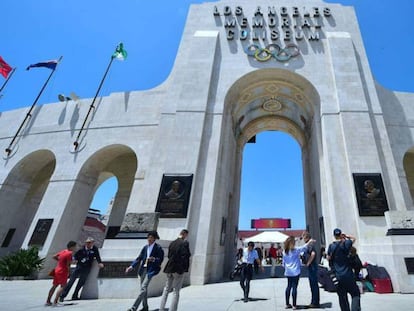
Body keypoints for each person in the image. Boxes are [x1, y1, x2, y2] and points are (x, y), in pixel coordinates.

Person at [125, 231, 164, 311]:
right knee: (144, 290)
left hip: (151, 271)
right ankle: (145, 307)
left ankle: (133, 308)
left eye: (151, 237)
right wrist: (131, 266)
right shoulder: (145, 247)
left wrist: (153, 259)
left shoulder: (158, 248)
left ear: (154, 239)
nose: (149, 239)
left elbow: (160, 260)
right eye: (148, 237)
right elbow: (139, 258)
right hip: (143, 270)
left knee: (143, 288)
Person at [60, 237, 104, 301]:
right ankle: (62, 296)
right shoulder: (81, 249)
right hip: (79, 267)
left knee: (81, 282)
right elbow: (75, 256)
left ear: (92, 243)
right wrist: (75, 260)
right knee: (71, 281)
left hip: (87, 268)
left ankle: (75, 295)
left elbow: (97, 256)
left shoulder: (94, 249)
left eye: (89, 243)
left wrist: (100, 263)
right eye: (87, 242)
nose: (88, 244)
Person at [327, 228, 361, 311]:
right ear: (340, 234)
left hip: (338, 275)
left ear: (334, 236)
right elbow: (354, 239)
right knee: (355, 294)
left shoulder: (331, 246)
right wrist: (346, 236)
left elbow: (328, 258)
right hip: (348, 274)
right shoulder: (346, 243)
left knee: (342, 297)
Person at [159, 229, 191, 311]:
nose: (186, 237)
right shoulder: (184, 243)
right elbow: (185, 257)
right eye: (186, 235)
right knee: (176, 291)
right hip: (178, 269)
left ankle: (161, 308)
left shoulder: (172, 243)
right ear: (184, 234)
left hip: (169, 268)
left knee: (166, 289)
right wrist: (184, 269)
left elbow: (169, 255)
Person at [283, 236, 314, 309]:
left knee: (288, 286)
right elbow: (304, 247)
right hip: (295, 271)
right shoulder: (296, 250)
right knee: (294, 287)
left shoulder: (284, 251)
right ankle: (294, 305)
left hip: (288, 271)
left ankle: (287, 304)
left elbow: (283, 263)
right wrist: (309, 242)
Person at [45, 240, 77, 306]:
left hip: (57, 269)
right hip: (63, 271)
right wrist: (69, 271)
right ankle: (55, 301)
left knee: (54, 286)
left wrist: (60, 261)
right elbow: (68, 264)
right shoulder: (69, 253)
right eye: (75, 247)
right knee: (63, 286)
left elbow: (54, 256)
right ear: (72, 247)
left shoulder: (63, 251)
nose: (75, 248)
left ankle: (48, 301)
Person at [302, 231, 320, 308]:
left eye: (303, 237)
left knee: (313, 284)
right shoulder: (309, 244)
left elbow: (313, 254)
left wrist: (308, 263)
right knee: (313, 284)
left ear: (307, 237)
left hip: (312, 267)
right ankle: (315, 301)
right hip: (312, 266)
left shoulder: (310, 245)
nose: (303, 239)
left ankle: (315, 302)